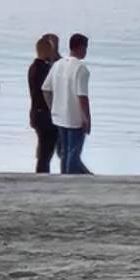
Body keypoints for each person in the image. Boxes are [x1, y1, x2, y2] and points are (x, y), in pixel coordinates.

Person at [43, 33, 93, 175]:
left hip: (59, 116)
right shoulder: (81, 68)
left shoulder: (58, 65)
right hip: (74, 117)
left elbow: (46, 89)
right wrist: (86, 118)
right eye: (85, 48)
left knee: (65, 151)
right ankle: (73, 177)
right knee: (74, 153)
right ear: (80, 47)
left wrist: (52, 107)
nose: (86, 51)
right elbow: (82, 96)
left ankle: (64, 176)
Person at [28, 37, 59, 173]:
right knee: (46, 149)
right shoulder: (42, 69)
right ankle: (42, 173)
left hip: (37, 112)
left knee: (45, 148)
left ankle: (42, 171)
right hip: (44, 114)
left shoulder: (34, 67)